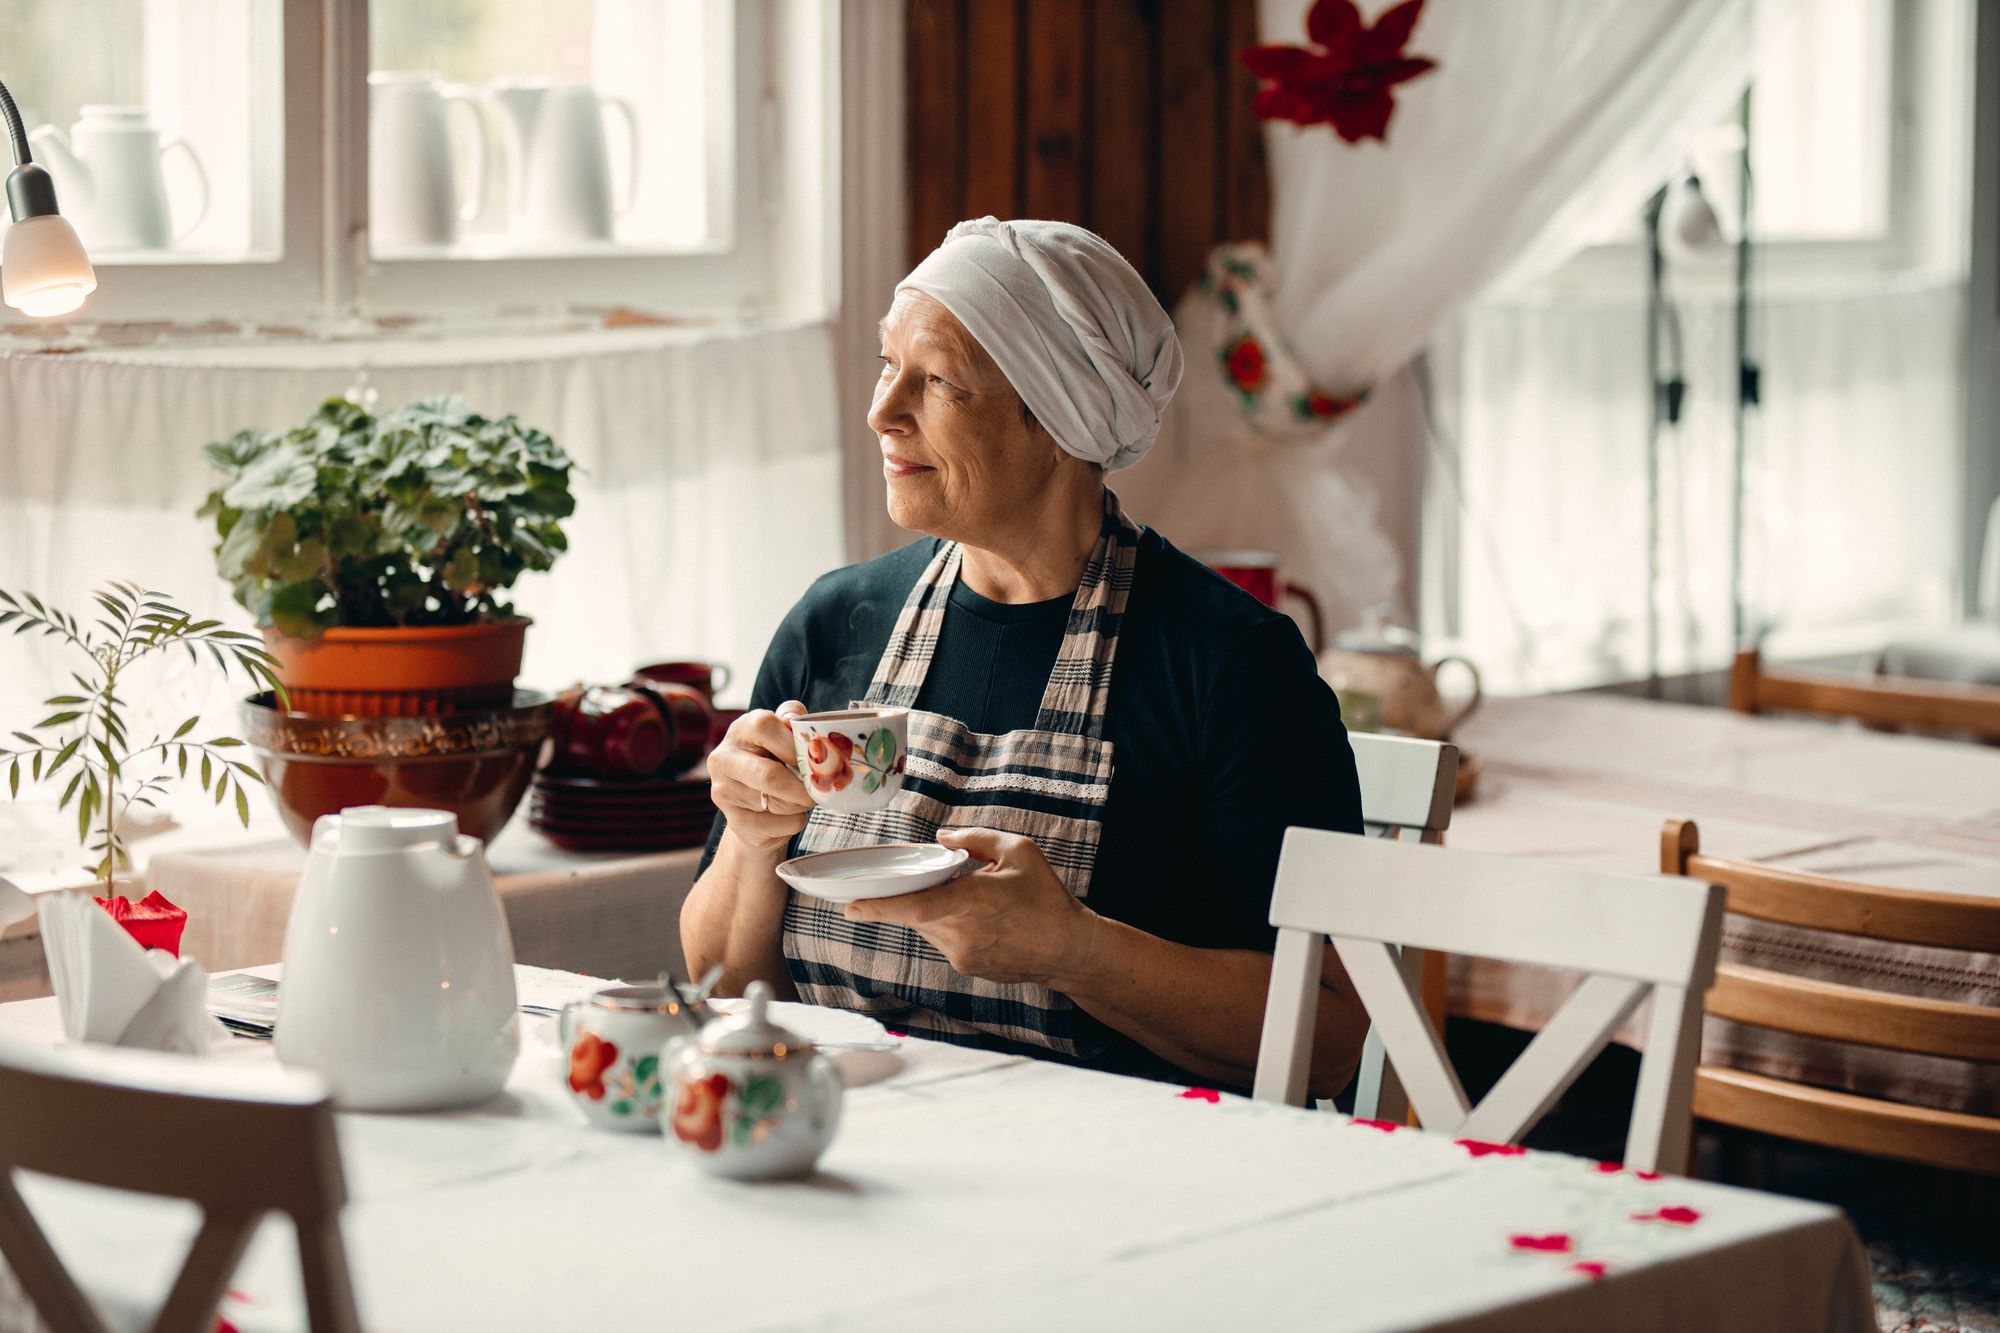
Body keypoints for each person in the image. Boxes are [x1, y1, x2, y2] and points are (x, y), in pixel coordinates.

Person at [682, 217, 1366, 1096]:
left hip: (1131, 1183)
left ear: (1057, 420)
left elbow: (1331, 1036)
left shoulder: (1234, 668)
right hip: (857, 1158)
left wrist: (1075, 950)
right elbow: (724, 991)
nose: (882, 411)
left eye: (935, 381)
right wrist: (750, 834)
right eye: (889, 365)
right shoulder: (834, 623)